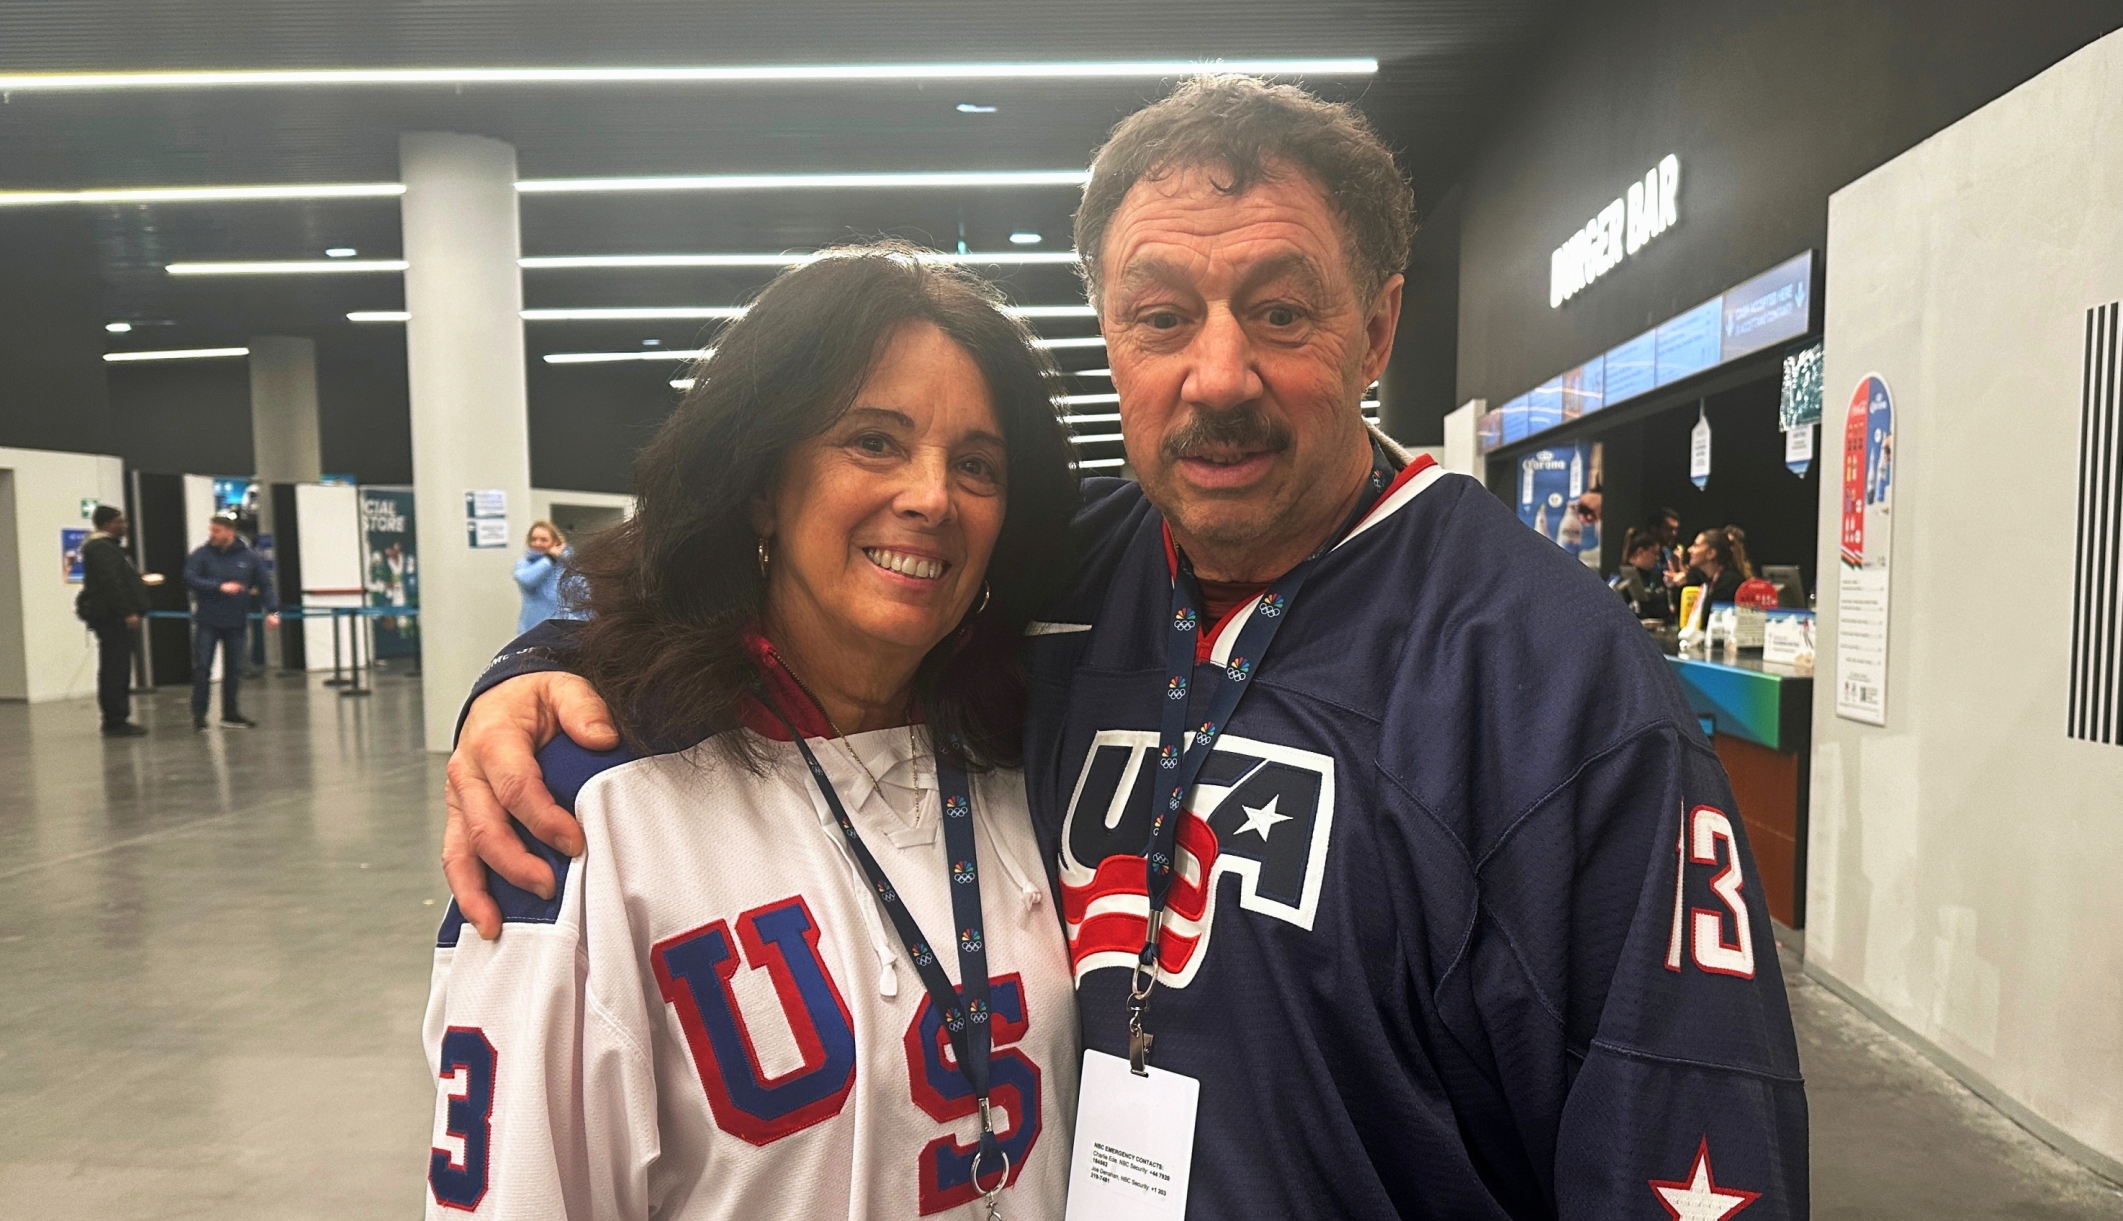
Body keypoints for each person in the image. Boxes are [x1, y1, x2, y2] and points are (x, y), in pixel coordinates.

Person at [445, 78, 1807, 1219]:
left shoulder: (1550, 681)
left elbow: (1690, 1130)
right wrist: (534, 684)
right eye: (1162, 317)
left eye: (1281, 311)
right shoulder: (1050, 576)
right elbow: (794, 616)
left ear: (1379, 327)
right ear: (1111, 333)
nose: (1217, 376)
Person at [420, 249, 1082, 1218]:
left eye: (976, 464)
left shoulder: (1035, 754)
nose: (932, 497)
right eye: (874, 442)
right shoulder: (591, 808)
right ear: (764, 483)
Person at [183, 511, 278, 730]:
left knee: (234, 669)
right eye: (211, 530)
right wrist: (218, 586)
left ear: (229, 532)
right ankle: (199, 713)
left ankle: (231, 712)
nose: (212, 535)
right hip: (208, 621)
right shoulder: (202, 554)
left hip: (236, 621)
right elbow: (189, 577)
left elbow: (265, 584)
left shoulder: (249, 557)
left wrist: (273, 611)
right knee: (202, 667)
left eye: (217, 531)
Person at [77, 503, 155, 736]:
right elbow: (112, 583)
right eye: (120, 521)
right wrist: (127, 611)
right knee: (115, 667)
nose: (125, 526)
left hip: (114, 616)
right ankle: (115, 719)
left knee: (119, 666)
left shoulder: (111, 549)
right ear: (108, 524)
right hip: (111, 618)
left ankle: (118, 716)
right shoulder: (101, 549)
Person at [512, 519, 585, 634]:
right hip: (532, 632)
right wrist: (549, 559)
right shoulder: (524, 564)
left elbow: (584, 600)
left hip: (563, 633)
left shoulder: (570, 567)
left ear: (556, 542)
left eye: (543, 540)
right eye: (534, 539)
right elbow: (526, 580)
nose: (537, 543)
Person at [1612, 526, 1673, 621]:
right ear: (1640, 552)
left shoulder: (1656, 575)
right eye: (1654, 553)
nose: (1657, 558)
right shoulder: (1619, 579)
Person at [1682, 527, 1747, 615]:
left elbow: (1709, 617)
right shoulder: (1707, 580)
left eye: (1696, 546)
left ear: (1711, 553)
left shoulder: (1730, 583)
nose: (1689, 550)